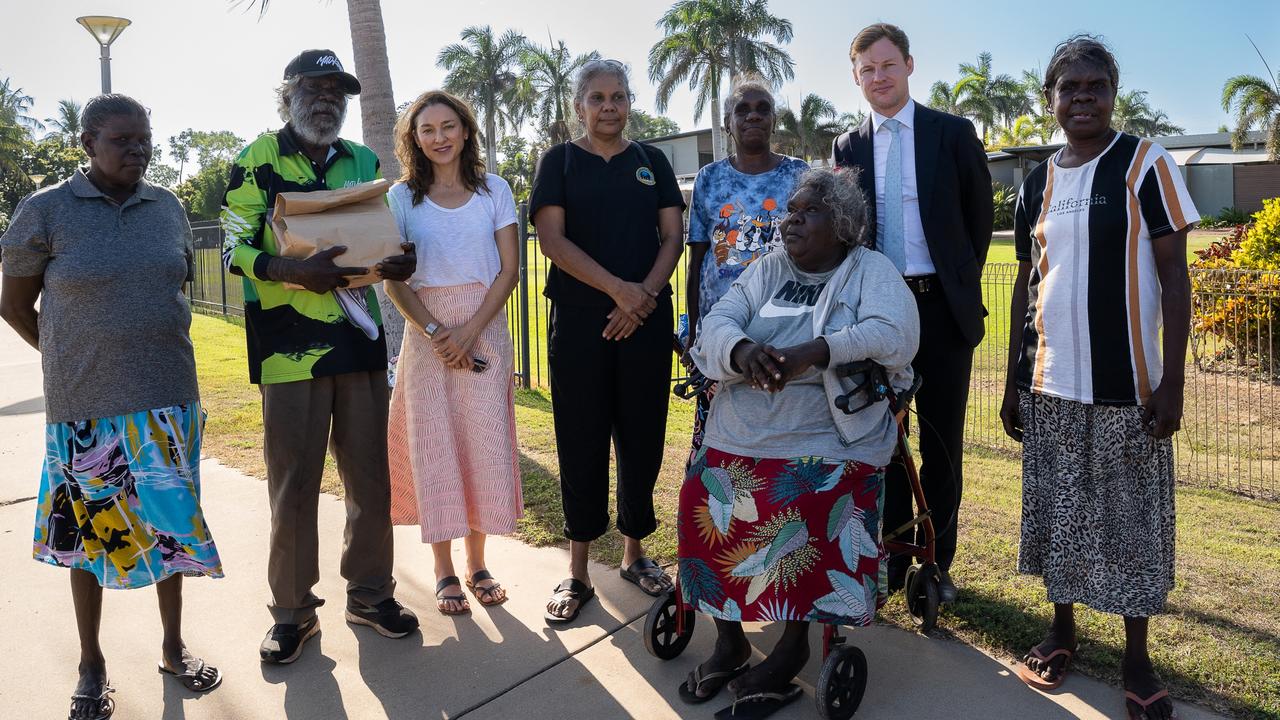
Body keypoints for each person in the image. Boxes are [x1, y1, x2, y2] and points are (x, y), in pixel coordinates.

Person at [1, 94, 224, 719]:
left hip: (169, 399)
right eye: (122, 140)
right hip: (86, 407)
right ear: (87, 145)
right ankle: (91, 664)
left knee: (174, 530)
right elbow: (14, 305)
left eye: (144, 138)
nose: (138, 149)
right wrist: (70, 355)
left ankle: (174, 648)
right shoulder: (43, 212)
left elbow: (172, 285)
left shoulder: (168, 208)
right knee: (88, 539)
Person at [1000, 36, 1194, 720]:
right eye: (1068, 88)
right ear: (1049, 99)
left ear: (1114, 93)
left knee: (1130, 527)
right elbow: (1030, 283)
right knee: (1058, 518)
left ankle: (1137, 657)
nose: (1081, 98)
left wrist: (1171, 383)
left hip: (1128, 389)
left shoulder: (1147, 164)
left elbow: (1174, 275)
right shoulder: (1037, 183)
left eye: (1094, 86)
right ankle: (1061, 632)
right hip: (1051, 385)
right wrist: (1011, 382)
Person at [680, 168, 919, 710]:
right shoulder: (768, 268)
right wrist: (741, 351)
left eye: (806, 212)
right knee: (703, 495)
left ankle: (791, 648)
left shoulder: (868, 270)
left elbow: (897, 334)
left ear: (841, 225)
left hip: (830, 428)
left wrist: (818, 350)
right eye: (790, 209)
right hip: (746, 423)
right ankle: (730, 639)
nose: (790, 220)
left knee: (805, 501)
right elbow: (717, 322)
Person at [220, 49, 419, 664]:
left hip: (359, 347)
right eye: (316, 87)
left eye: (339, 90)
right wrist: (291, 271)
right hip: (287, 356)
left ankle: (369, 594)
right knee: (294, 486)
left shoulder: (360, 160)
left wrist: (398, 261)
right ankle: (292, 613)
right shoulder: (257, 159)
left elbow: (378, 238)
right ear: (290, 94)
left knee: (371, 481)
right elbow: (232, 247)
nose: (328, 98)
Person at [832, 22, 993, 603]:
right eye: (867, 69)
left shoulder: (951, 133)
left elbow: (978, 220)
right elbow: (849, 230)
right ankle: (893, 559)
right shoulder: (847, 147)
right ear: (856, 77)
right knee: (884, 440)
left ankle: (937, 564)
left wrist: (953, 282)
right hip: (882, 317)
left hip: (942, 314)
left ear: (909, 65)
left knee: (941, 442)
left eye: (888, 65)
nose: (879, 77)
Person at [530, 59, 685, 624]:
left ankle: (634, 554)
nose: (609, 106)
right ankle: (576, 571)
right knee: (582, 439)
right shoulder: (559, 161)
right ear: (579, 105)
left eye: (618, 96)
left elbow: (673, 236)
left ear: (629, 103)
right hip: (579, 324)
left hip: (645, 322)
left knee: (642, 438)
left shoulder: (653, 162)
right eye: (597, 97)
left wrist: (641, 296)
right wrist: (619, 291)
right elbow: (552, 240)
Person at [383, 90, 522, 616]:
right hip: (426, 334)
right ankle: (443, 570)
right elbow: (394, 281)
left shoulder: (495, 191)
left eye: (448, 126)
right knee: (434, 445)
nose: (439, 137)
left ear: (465, 130)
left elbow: (509, 269)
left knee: (483, 441)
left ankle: (478, 562)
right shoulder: (400, 199)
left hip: (485, 323)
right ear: (414, 139)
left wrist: (468, 333)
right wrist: (438, 331)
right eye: (427, 130)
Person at [683, 75, 810, 463]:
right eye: (742, 109)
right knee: (719, 431)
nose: (753, 116)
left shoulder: (798, 174)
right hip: (722, 329)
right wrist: (694, 331)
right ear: (728, 124)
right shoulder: (710, 178)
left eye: (762, 109)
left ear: (774, 121)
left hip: (783, 324)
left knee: (779, 429)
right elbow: (698, 255)